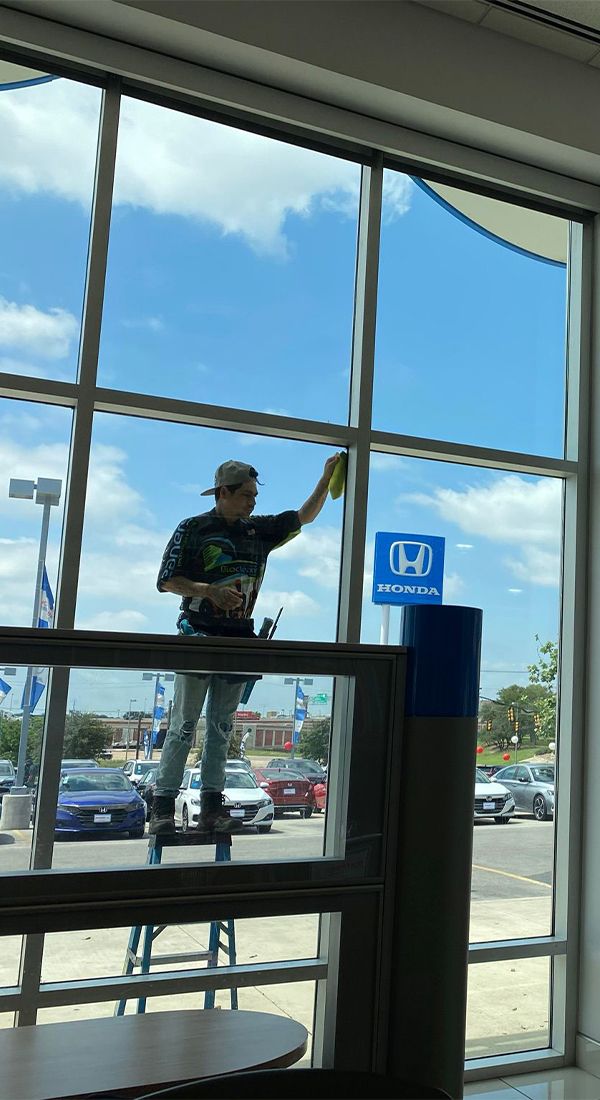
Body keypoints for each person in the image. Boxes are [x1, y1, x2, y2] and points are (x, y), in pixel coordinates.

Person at [149, 454, 341, 834]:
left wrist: (325, 479)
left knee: (221, 726)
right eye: (246, 495)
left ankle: (211, 806)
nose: (253, 501)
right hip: (198, 634)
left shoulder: (258, 532)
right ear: (223, 492)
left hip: (239, 639)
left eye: (255, 495)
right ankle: (163, 806)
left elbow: (303, 516)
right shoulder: (193, 528)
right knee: (183, 724)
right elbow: (166, 580)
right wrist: (208, 591)